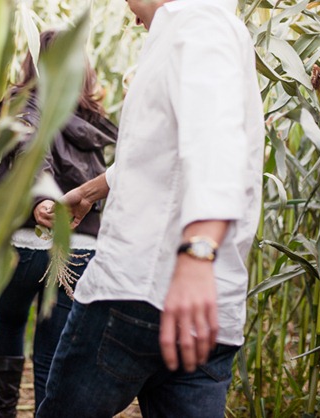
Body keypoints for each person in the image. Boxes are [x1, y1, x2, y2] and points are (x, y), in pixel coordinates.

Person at [35, 0, 265, 417]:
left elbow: (215, 142)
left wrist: (197, 256)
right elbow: (164, 151)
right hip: (210, 311)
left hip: (138, 294)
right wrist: (89, 193)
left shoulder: (195, 25)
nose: (128, 10)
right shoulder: (211, 27)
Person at [0, 30, 118, 418]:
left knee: (10, 321)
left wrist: (43, 196)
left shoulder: (25, 105)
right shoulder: (92, 118)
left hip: (28, 244)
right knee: (52, 345)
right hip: (80, 249)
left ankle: (5, 411)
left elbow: (30, 148)